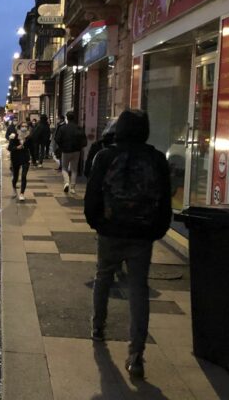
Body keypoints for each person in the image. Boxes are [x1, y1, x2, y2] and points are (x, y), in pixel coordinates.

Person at [84, 109, 172, 379]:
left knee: (103, 276)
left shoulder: (105, 155)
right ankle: (136, 355)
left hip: (110, 231)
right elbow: (165, 199)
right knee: (138, 290)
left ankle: (98, 328)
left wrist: (97, 222)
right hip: (142, 233)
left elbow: (92, 194)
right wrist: (156, 230)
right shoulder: (156, 159)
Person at [54, 112, 86, 194]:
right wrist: (80, 147)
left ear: (67, 118)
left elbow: (57, 139)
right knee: (74, 169)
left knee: (64, 168)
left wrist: (62, 146)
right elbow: (84, 140)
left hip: (66, 151)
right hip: (76, 151)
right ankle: (73, 188)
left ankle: (66, 182)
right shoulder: (79, 128)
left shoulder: (63, 128)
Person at [7, 121, 33, 201]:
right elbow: (9, 148)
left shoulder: (29, 136)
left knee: (24, 176)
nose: (24, 128)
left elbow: (32, 148)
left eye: (26, 126)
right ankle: (14, 189)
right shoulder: (14, 136)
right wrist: (16, 148)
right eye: (23, 126)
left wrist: (33, 159)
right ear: (19, 127)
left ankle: (22, 194)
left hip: (25, 158)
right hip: (16, 157)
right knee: (15, 176)